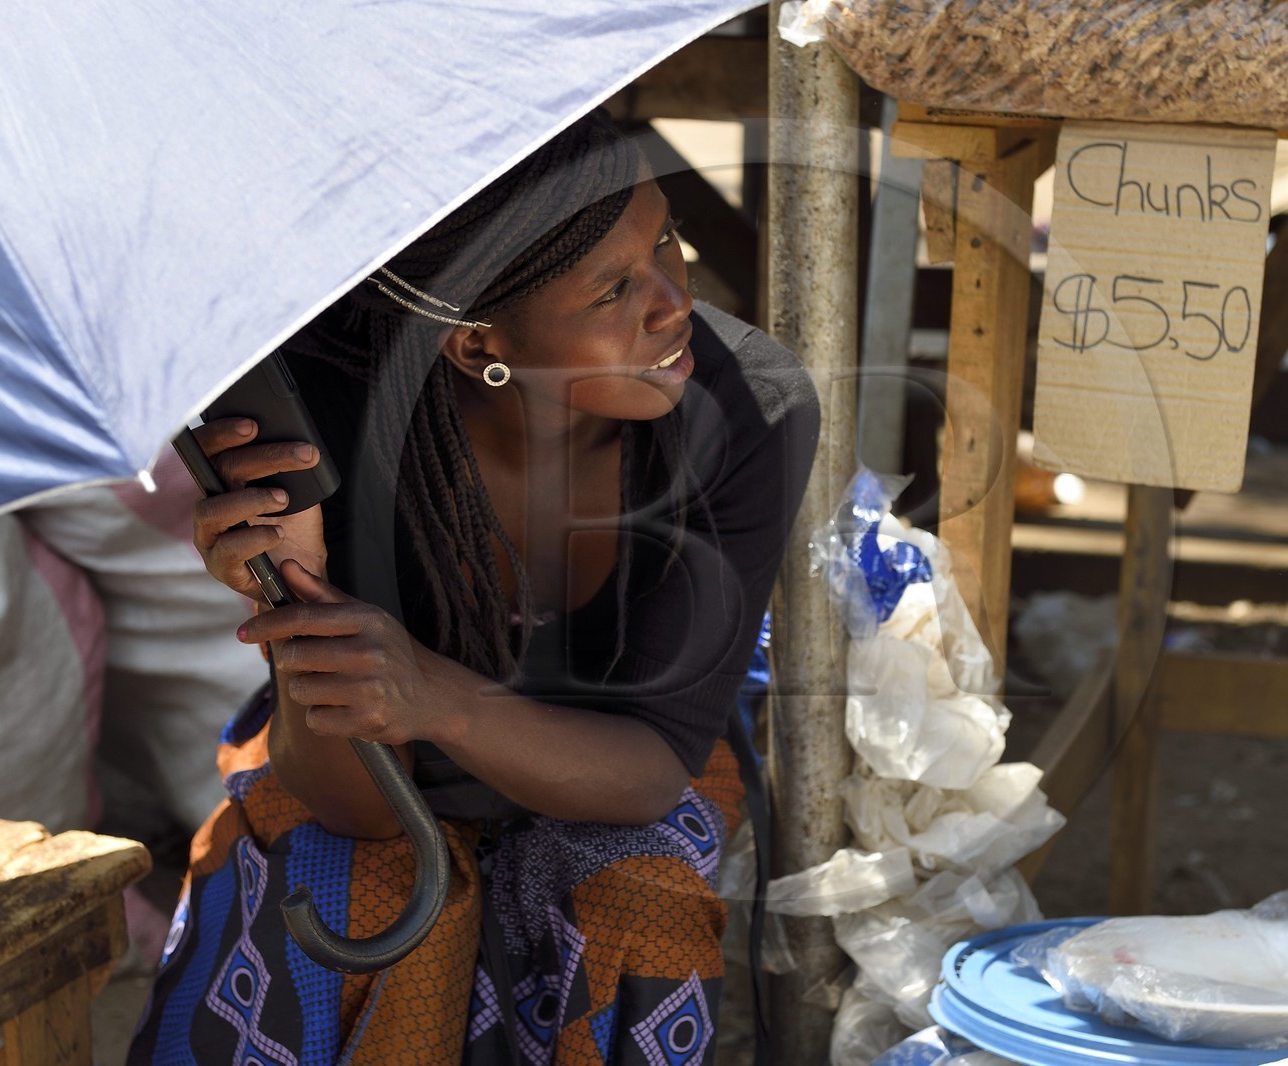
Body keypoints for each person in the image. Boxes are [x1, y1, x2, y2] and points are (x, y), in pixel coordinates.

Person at [128, 111, 819, 1065]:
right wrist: (290, 594)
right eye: (613, 290)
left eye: (666, 236)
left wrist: (437, 694)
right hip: (360, 737)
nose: (673, 304)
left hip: (621, 746)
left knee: (636, 910)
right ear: (475, 345)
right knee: (343, 899)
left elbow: (652, 770)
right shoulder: (319, 419)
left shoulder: (748, 403)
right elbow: (364, 809)